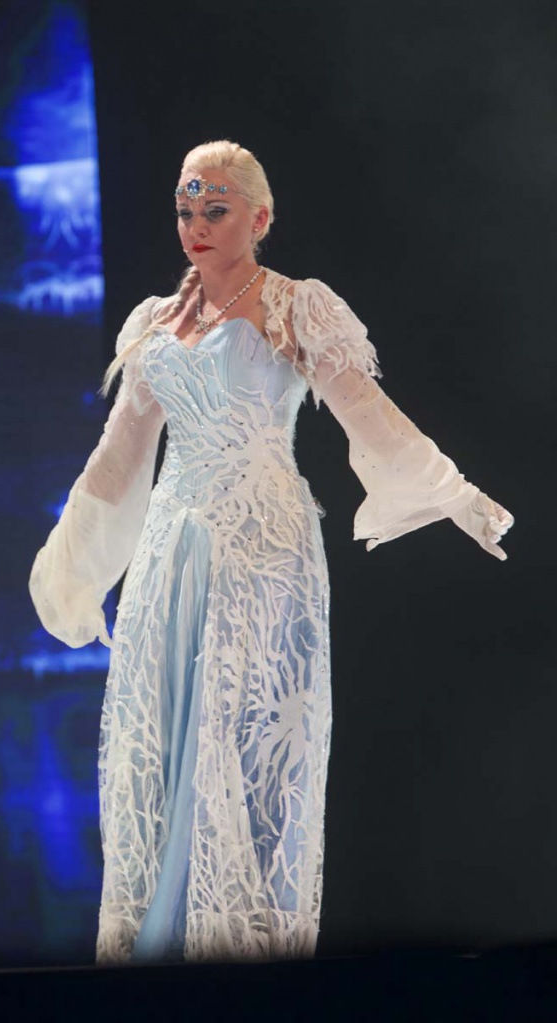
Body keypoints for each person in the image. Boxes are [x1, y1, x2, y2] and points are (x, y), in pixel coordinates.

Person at [29, 140, 513, 964]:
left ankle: (241, 966)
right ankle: (161, 956)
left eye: (215, 210)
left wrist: (453, 490)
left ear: (260, 218)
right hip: (172, 553)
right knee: (170, 739)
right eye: (186, 210)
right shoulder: (155, 323)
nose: (196, 225)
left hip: (262, 550)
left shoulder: (293, 307)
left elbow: (366, 409)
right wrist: (68, 567)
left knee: (244, 741)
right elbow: (117, 459)